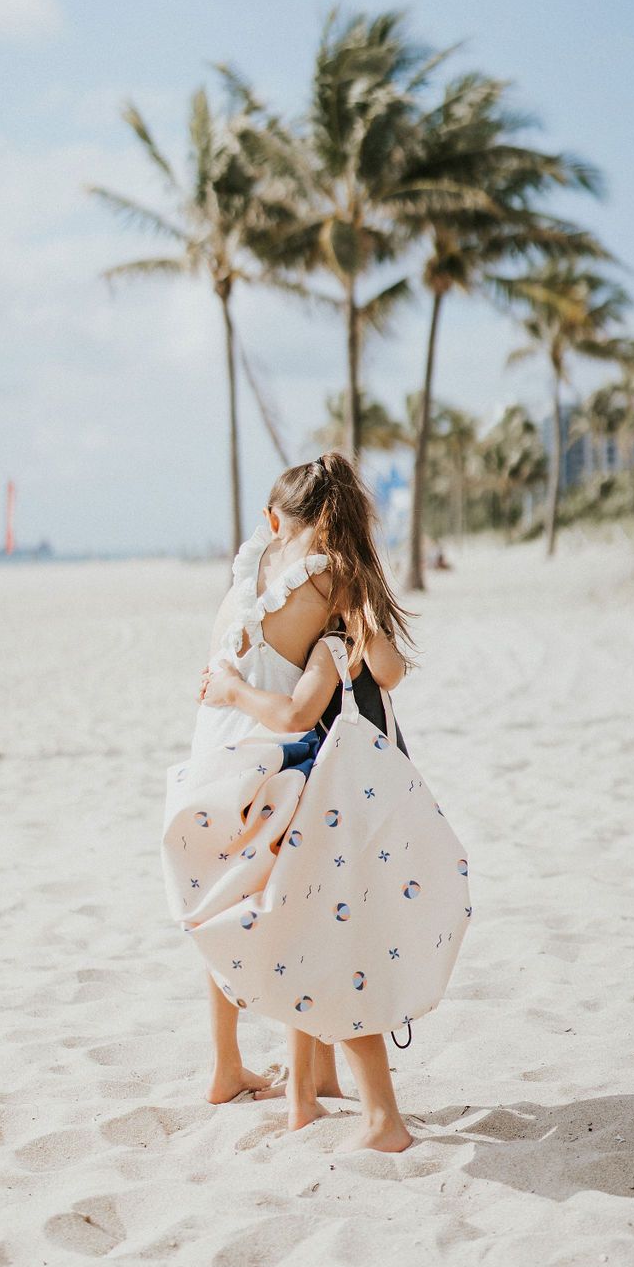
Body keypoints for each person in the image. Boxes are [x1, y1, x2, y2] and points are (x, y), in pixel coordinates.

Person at [189, 453, 412, 1150]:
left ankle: (259, 1072)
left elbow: (230, 670)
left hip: (208, 767)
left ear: (270, 520)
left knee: (242, 911)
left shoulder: (242, 579)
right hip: (272, 765)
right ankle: (334, 1101)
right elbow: (382, 676)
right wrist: (351, 630)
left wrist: (230, 688)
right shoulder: (334, 576)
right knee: (314, 917)